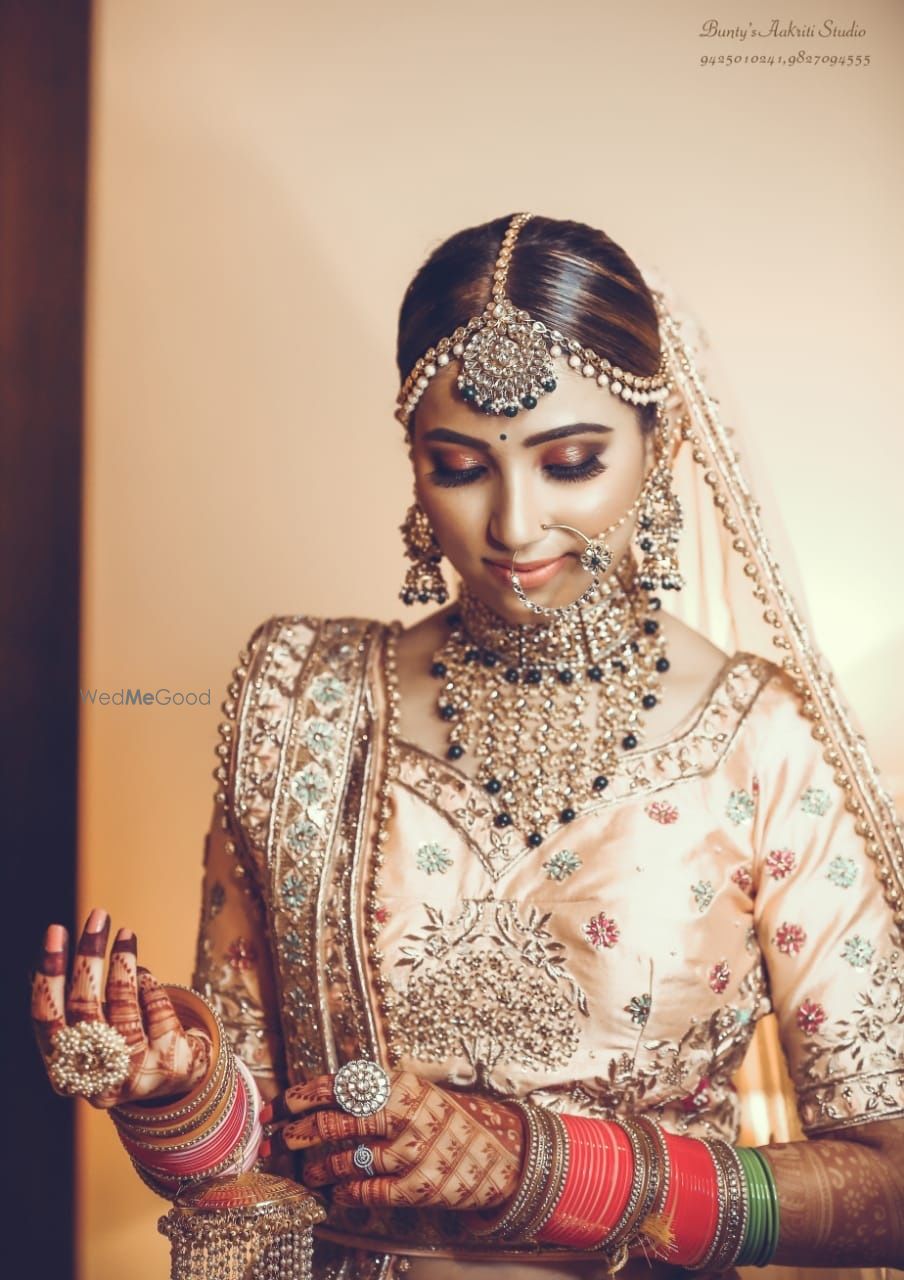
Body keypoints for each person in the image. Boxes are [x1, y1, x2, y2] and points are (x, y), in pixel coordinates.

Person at [32, 212, 904, 1280]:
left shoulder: (762, 740)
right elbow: (262, 1154)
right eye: (459, 465)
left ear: (659, 444)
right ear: (413, 467)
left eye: (571, 460)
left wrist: (540, 1166)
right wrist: (182, 1088)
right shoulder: (301, 697)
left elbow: (886, 1185)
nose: (515, 523)